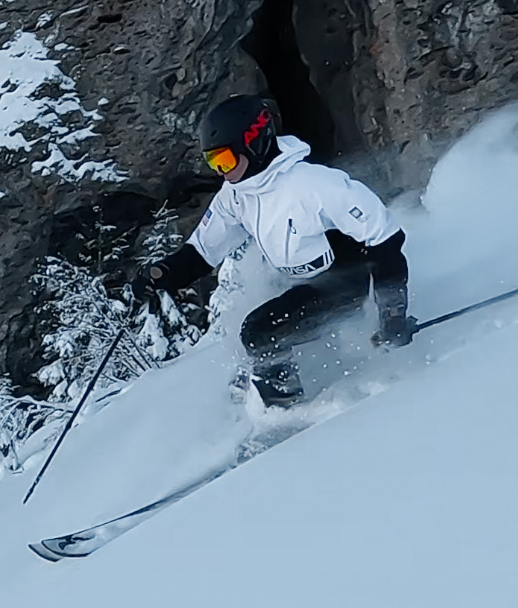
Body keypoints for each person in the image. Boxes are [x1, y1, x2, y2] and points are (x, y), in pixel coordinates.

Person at [136, 95, 411, 404]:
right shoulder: (237, 195)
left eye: (224, 160)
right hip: (297, 284)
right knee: (253, 351)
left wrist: (392, 311)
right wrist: (164, 274)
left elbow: (384, 238)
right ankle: (264, 391)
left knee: (259, 333)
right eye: (213, 162)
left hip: (343, 282)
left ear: (253, 144)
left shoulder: (313, 185)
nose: (219, 171)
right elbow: (203, 252)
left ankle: (284, 409)